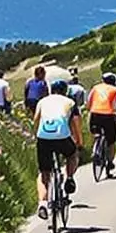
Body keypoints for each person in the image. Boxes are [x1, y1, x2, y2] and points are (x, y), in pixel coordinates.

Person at [33, 79, 82, 219]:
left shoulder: (42, 101)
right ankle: (69, 178)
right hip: (62, 136)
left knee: (44, 173)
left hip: (43, 137)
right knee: (72, 155)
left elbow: (36, 120)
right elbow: (75, 123)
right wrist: (79, 141)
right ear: (65, 91)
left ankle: (42, 204)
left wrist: (36, 135)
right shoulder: (70, 102)